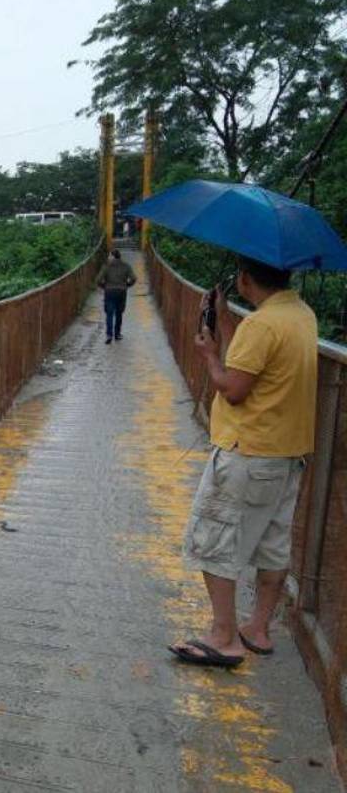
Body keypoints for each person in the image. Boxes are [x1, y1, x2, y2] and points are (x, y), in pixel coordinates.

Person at [169, 256, 317, 668]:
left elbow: (233, 387)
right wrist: (224, 320)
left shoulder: (262, 325)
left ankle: (224, 637)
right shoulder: (299, 314)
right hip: (285, 456)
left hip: (248, 455)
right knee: (272, 546)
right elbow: (253, 364)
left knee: (213, 542)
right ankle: (258, 629)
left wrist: (209, 354)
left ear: (245, 279)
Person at [96, 249, 136, 343]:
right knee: (119, 313)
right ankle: (117, 334)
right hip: (121, 292)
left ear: (112, 256)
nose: (108, 258)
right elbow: (133, 278)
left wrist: (104, 286)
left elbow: (98, 280)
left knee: (109, 314)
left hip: (109, 292)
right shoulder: (126, 266)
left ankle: (109, 335)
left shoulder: (106, 266)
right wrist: (127, 285)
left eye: (109, 256)